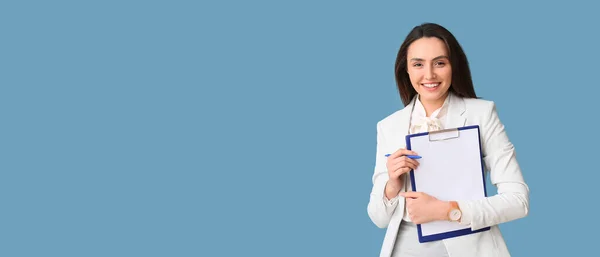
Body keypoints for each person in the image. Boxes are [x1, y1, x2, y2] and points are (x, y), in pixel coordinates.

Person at [366, 22, 530, 257]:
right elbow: (378, 218)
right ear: (407, 70)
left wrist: (447, 211)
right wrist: (392, 184)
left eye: (440, 63)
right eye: (418, 64)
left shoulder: (481, 114)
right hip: (406, 248)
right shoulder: (389, 126)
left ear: (454, 66)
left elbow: (518, 201)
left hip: (471, 245)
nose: (429, 74)